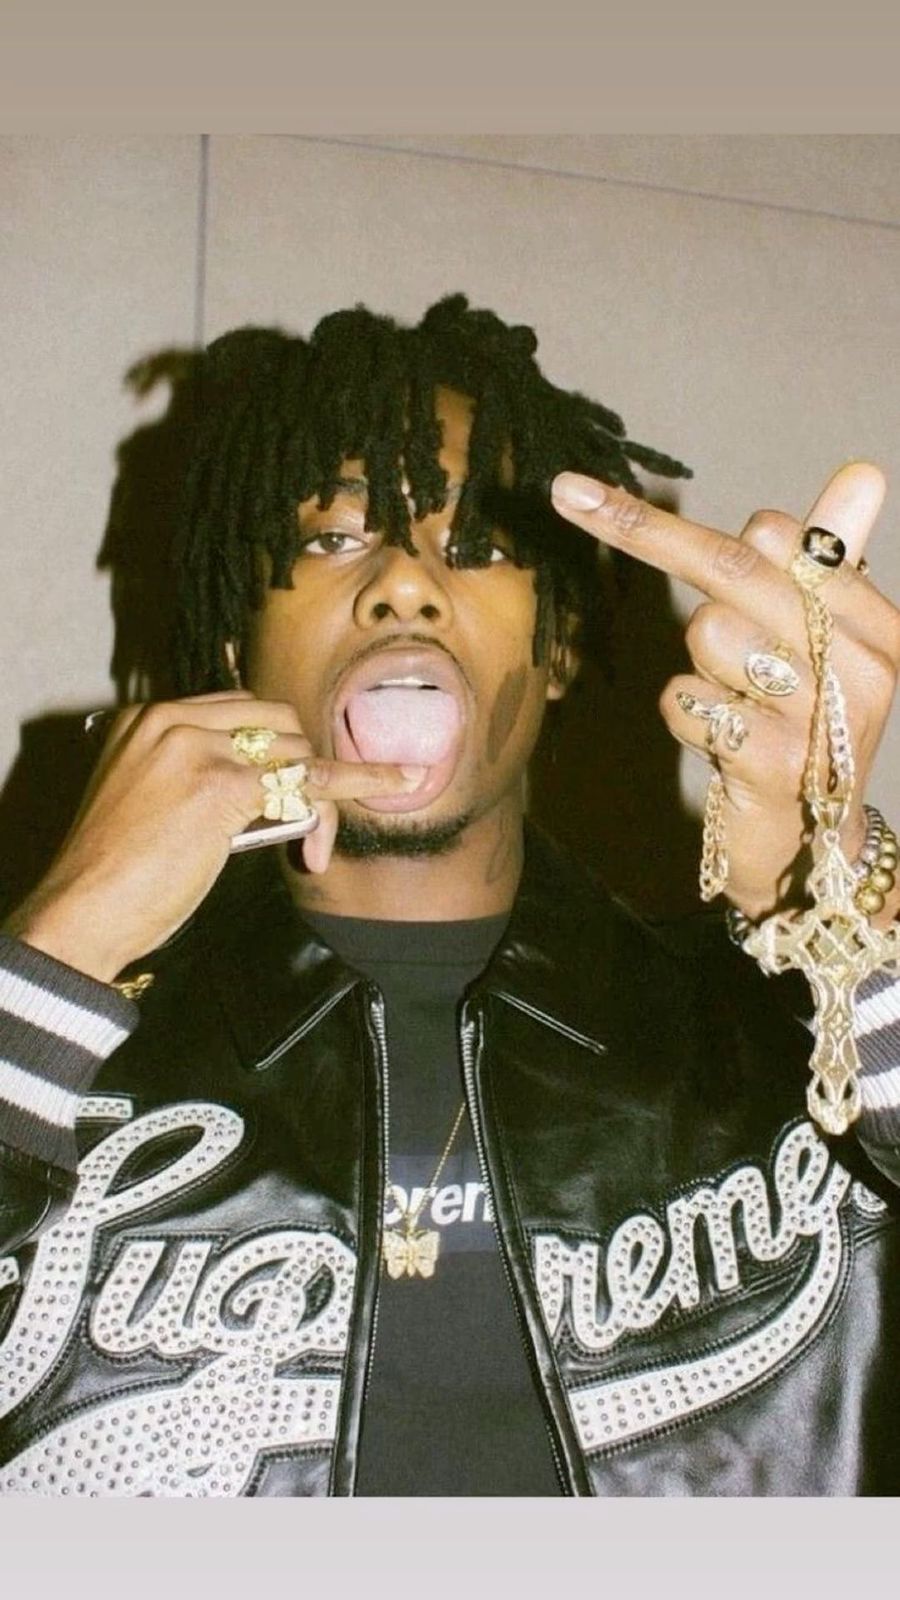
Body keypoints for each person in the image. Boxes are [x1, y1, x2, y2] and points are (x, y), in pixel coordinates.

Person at [0, 294, 898, 1497]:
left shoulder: (769, 1032)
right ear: (235, 651)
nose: (405, 585)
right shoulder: (63, 1046)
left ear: (559, 647)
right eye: (333, 536)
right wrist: (57, 944)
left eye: (472, 546)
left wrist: (847, 901)